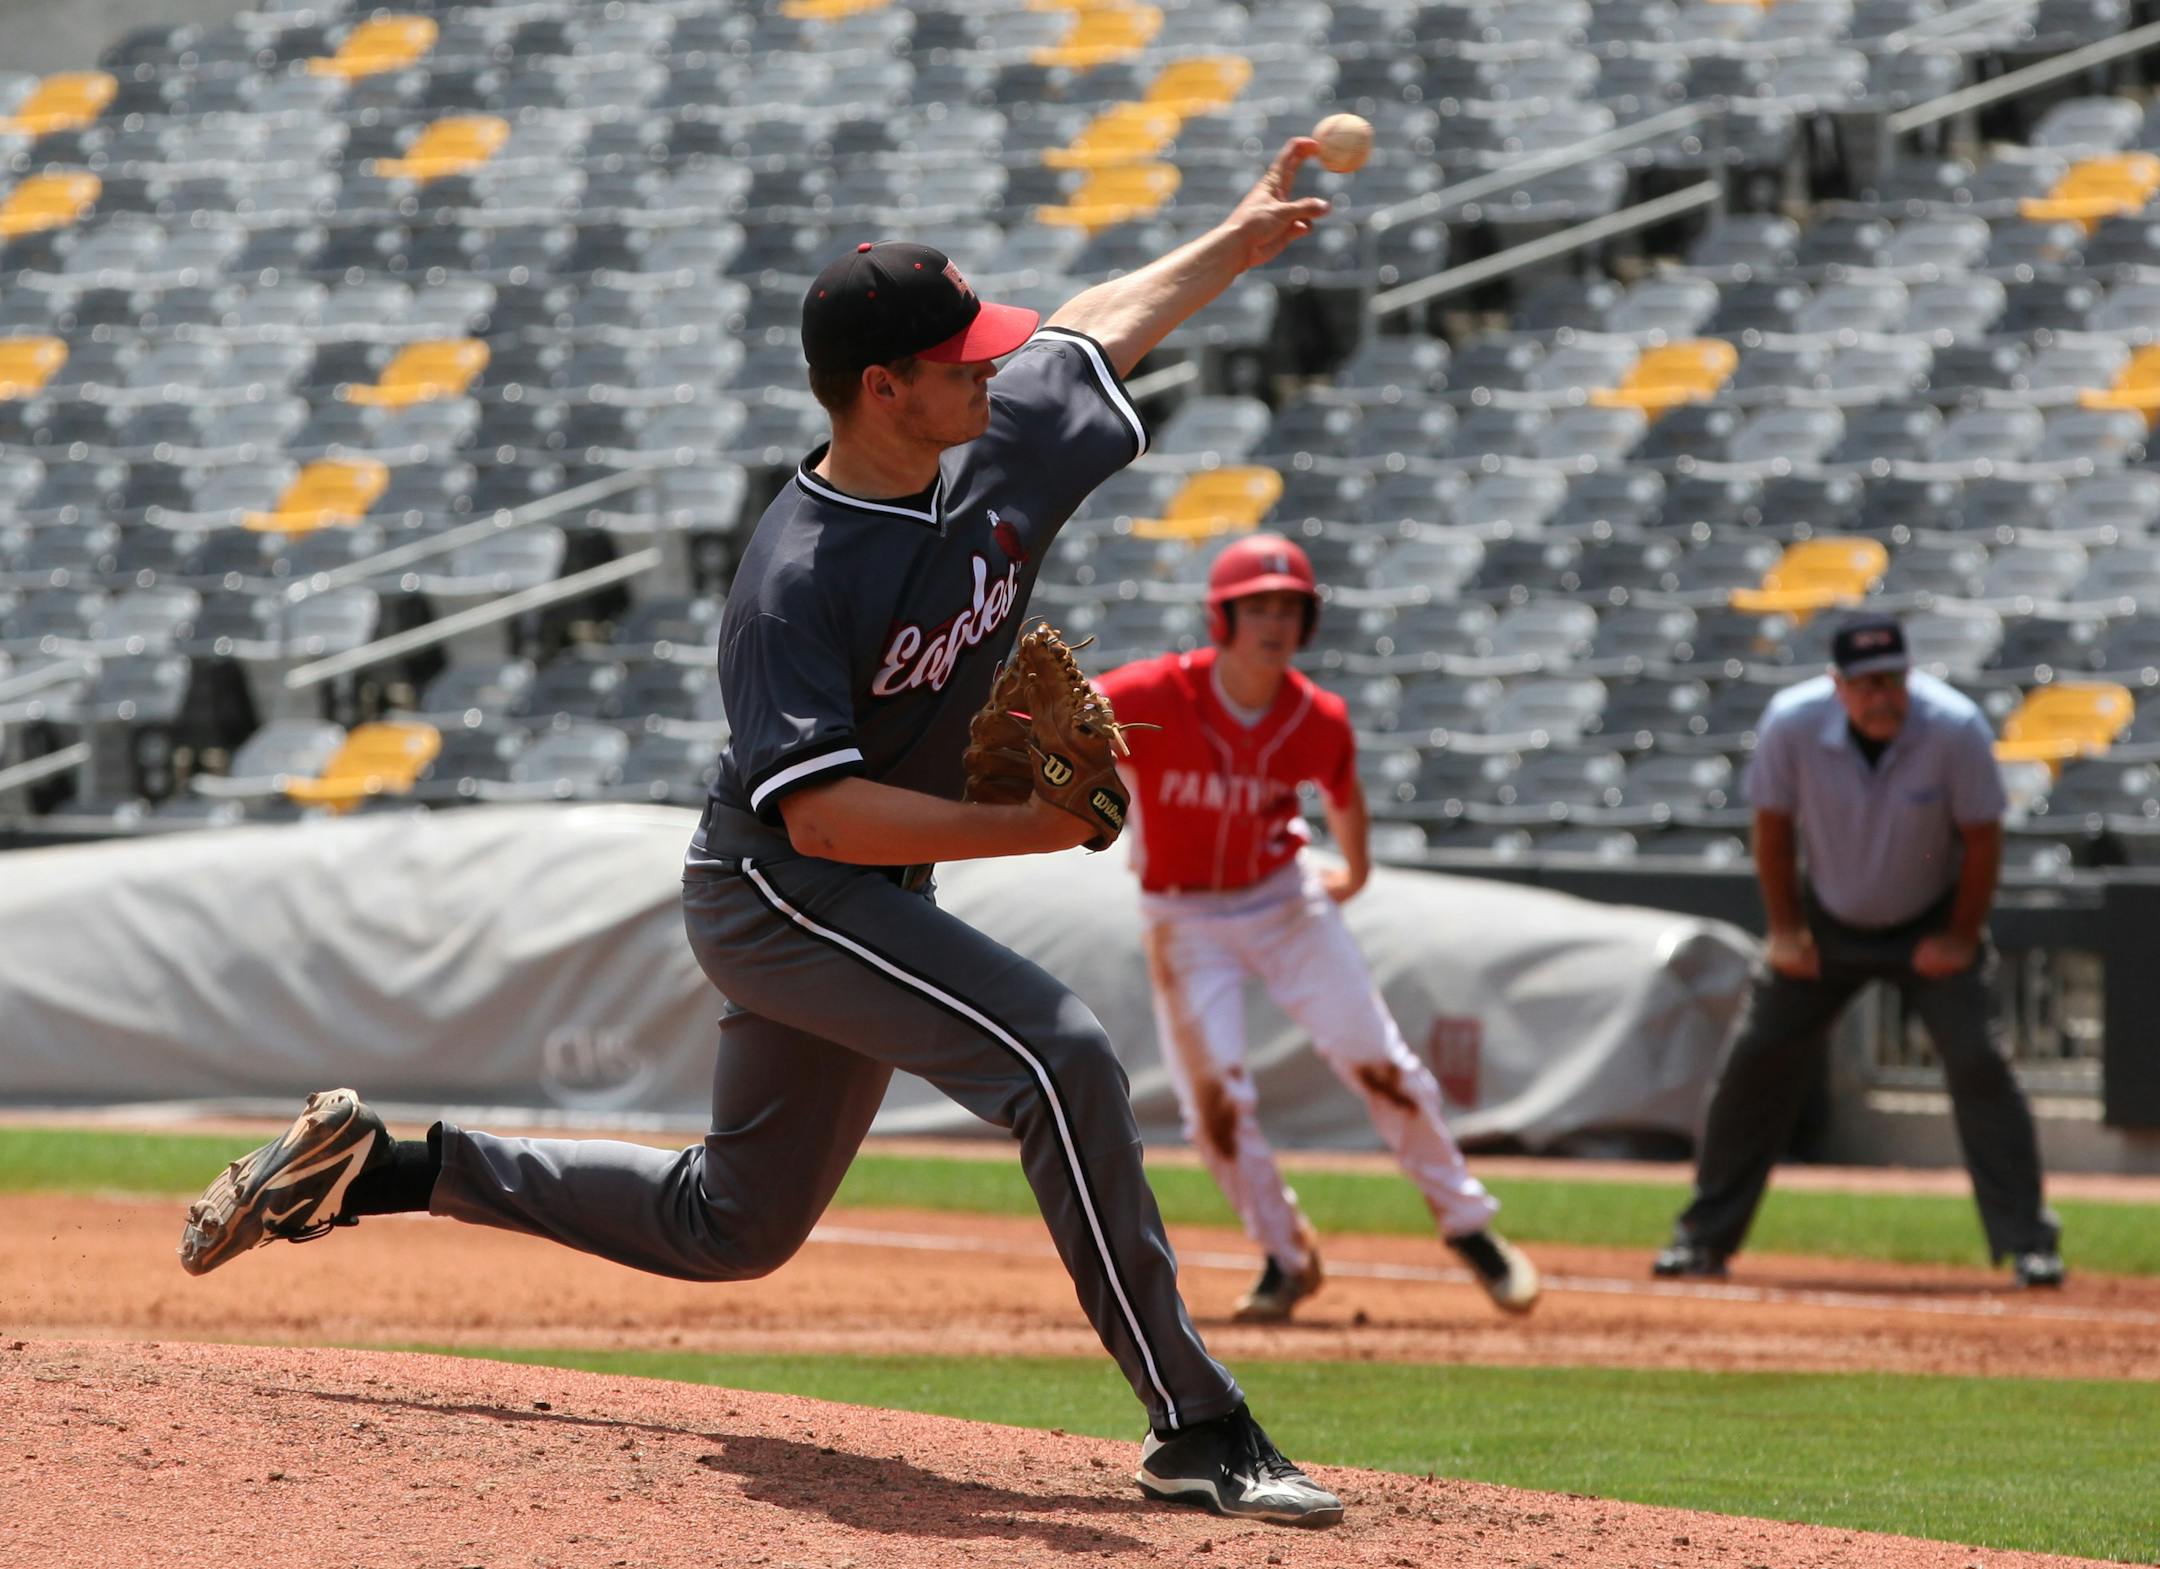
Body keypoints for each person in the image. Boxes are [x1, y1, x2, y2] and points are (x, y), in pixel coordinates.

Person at [179, 141, 1351, 1527]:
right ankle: (1199, 1424)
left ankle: (392, 1164)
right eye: (962, 356)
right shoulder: (794, 576)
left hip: (871, 883)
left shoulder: (997, 434)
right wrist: (1028, 827)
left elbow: (1100, 322)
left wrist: (1232, 238)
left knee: (730, 1227)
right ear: (883, 389)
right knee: (1062, 1055)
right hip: (780, 890)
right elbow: (827, 815)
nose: (992, 367)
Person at [1096, 533, 1540, 1322]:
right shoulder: (1156, 692)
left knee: (1380, 1062)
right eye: (1256, 606)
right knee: (1215, 1106)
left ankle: (1471, 1227)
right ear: (1221, 616)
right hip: (1183, 913)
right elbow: (1059, 713)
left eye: (1289, 607)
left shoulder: (1316, 716)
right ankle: (1287, 1256)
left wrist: (1358, 872)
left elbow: (1341, 789)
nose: (1274, 621)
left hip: (1282, 899)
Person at [1653, 613, 2064, 1288]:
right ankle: (1703, 1235)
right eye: (1867, 683)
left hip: (1928, 919)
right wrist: (1786, 929)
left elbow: (1983, 840)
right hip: (1828, 918)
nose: (1883, 696)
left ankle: (2029, 1242)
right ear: (1837, 685)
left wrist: (1960, 936)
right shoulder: (1791, 722)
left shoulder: (1954, 726)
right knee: (1755, 1058)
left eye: (1893, 680)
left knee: (1978, 1057)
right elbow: (1774, 830)